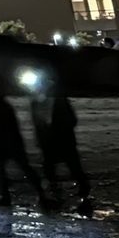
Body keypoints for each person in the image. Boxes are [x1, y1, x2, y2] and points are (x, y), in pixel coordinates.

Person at [29, 81, 91, 216]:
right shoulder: (47, 102)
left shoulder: (44, 102)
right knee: (59, 166)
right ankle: (72, 188)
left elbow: (71, 120)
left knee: (66, 165)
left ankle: (75, 188)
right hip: (55, 140)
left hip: (60, 140)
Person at [0, 86, 45, 208]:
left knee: (2, 169)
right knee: (22, 168)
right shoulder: (4, 106)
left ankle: (5, 197)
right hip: (12, 143)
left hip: (5, 144)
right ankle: (40, 192)